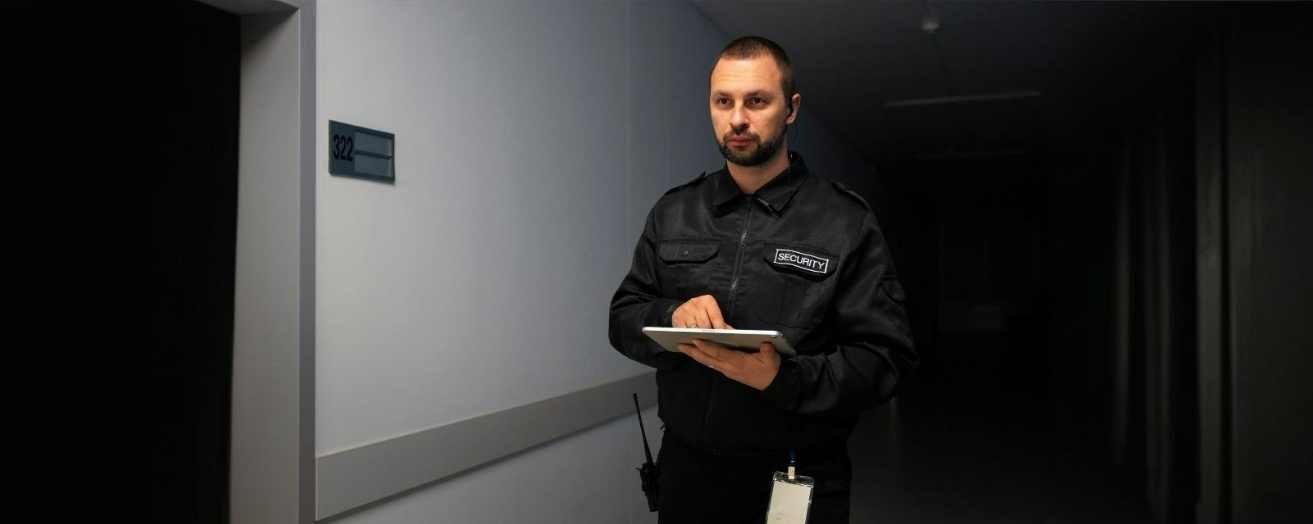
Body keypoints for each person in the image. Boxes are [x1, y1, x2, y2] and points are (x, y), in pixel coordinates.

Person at [608, 35, 916, 523]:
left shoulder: (843, 220)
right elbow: (623, 316)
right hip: (690, 476)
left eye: (756, 101)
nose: (737, 119)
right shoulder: (674, 212)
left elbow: (885, 359)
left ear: (790, 109)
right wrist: (669, 314)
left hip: (797, 477)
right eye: (723, 101)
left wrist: (783, 378)